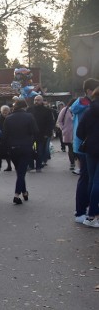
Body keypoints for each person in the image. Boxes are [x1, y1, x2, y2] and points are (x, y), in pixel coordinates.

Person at [71, 79, 99, 223]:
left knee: (88, 179)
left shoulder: (85, 104)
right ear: (89, 91)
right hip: (85, 146)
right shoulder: (83, 103)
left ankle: (86, 210)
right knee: (87, 179)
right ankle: (83, 211)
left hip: (84, 145)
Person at [2, 98, 39, 205]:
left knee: (20, 172)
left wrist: (6, 149)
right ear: (24, 107)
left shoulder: (8, 118)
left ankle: (25, 192)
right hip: (26, 147)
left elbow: (4, 136)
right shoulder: (29, 117)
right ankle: (16, 195)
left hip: (13, 148)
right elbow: (36, 131)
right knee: (21, 173)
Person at [28, 95, 56, 171]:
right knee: (29, 150)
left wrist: (47, 134)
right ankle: (30, 165)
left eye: (38, 100)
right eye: (35, 100)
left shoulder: (47, 111)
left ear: (42, 101)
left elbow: (50, 123)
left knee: (40, 151)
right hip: (31, 134)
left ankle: (38, 166)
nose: (36, 101)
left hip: (42, 134)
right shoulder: (29, 110)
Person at [57, 99, 76, 172]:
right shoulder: (65, 110)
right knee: (71, 148)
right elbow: (59, 120)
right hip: (68, 132)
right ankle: (72, 163)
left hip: (77, 132)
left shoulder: (79, 110)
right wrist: (63, 128)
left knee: (76, 148)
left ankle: (77, 161)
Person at [0, 105, 13, 171]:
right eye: (3, 112)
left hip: (11, 137)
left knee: (13, 152)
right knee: (6, 152)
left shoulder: (12, 117)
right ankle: (9, 166)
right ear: (1, 112)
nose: (4, 113)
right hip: (3, 138)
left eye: (6, 111)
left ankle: (16, 165)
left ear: (9, 111)